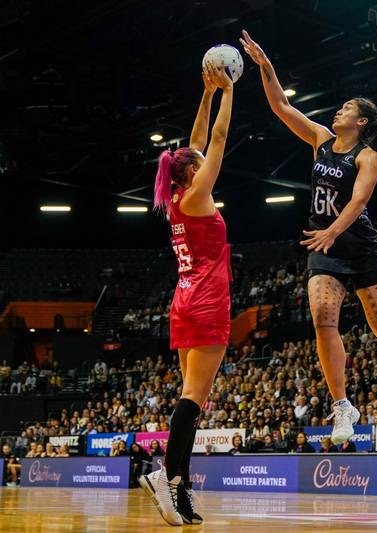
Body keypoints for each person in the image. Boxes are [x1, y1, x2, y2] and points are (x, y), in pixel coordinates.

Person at [239, 30, 377, 446]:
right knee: (322, 319)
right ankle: (342, 404)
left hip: (358, 246)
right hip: (324, 248)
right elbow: (281, 106)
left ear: (361, 121)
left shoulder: (367, 156)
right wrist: (265, 65)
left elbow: (360, 199)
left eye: (347, 108)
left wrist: (332, 229)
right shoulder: (321, 140)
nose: (339, 110)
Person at [139, 62, 234, 527]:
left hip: (184, 299)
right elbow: (216, 139)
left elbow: (197, 141)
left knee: (191, 400)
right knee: (194, 398)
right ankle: (168, 477)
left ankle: (180, 488)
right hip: (208, 300)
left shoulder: (178, 197)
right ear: (192, 171)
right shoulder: (198, 197)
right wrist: (229, 92)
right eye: (198, 163)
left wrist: (206, 94)